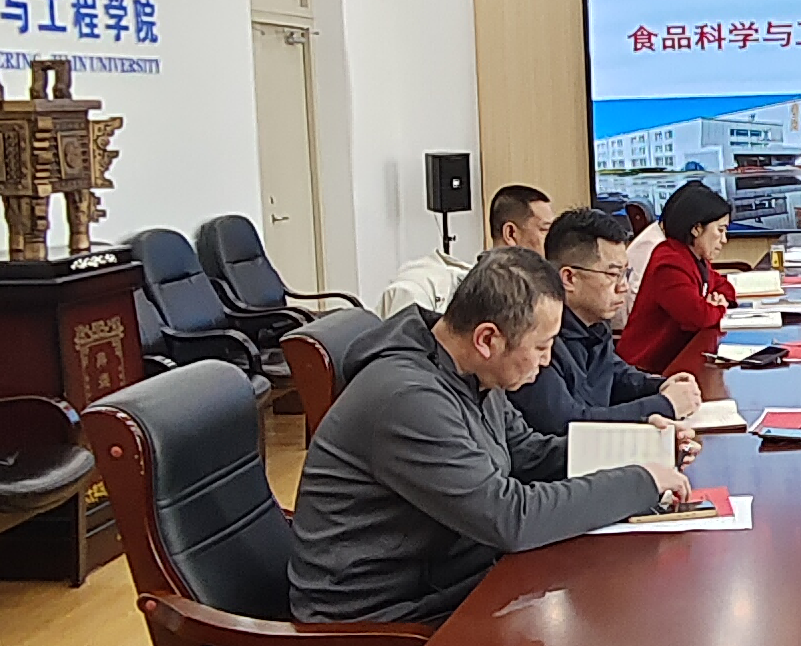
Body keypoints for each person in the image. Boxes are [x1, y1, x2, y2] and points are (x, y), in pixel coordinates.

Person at [294, 249, 698, 625]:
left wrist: (641, 448)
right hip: (382, 621)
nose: (547, 361)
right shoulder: (408, 399)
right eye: (541, 346)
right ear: (488, 339)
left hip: (451, 577)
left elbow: (528, 454)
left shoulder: (469, 370)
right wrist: (640, 482)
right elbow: (510, 517)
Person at [511, 208, 706, 434]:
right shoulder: (538, 336)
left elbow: (615, 375)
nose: (623, 286)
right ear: (569, 278)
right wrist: (664, 405)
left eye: (625, 274)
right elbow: (568, 424)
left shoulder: (594, 322)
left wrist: (661, 385)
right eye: (613, 275)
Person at [373, 183, 557, 316]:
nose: (553, 238)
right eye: (545, 229)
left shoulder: (544, 288)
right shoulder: (451, 290)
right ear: (510, 233)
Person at [619, 181, 734, 376]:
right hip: (642, 371)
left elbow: (724, 287)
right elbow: (699, 316)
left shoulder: (694, 257)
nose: (724, 239)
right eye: (720, 230)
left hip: (674, 360)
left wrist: (716, 302)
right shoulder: (669, 262)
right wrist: (719, 307)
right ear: (696, 229)